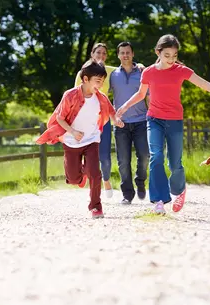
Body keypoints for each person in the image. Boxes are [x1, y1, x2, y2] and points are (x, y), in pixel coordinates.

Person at [116, 34, 210, 214]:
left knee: (175, 164)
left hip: (174, 121)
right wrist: (124, 107)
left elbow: (208, 86)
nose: (171, 59)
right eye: (167, 55)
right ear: (158, 52)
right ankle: (159, 201)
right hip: (154, 119)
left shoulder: (181, 71)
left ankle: (179, 191)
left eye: (174, 55)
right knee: (156, 157)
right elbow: (141, 94)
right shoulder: (148, 72)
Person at [37, 60, 124, 219]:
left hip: (91, 139)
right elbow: (60, 118)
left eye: (102, 81)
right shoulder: (70, 95)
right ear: (85, 79)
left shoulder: (101, 97)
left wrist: (116, 120)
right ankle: (81, 174)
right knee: (73, 178)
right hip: (71, 140)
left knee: (95, 173)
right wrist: (72, 131)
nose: (101, 84)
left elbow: (111, 112)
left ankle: (96, 207)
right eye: (97, 80)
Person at [109, 41, 149, 205]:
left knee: (145, 156)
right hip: (121, 124)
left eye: (128, 52)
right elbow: (102, 95)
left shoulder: (142, 72)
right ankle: (127, 194)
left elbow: (149, 95)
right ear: (118, 55)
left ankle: (140, 180)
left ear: (132, 54)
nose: (125, 55)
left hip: (141, 121)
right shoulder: (112, 75)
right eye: (122, 53)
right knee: (123, 161)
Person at [74, 43, 116, 198]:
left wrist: (138, 65)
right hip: (86, 120)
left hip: (103, 120)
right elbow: (75, 94)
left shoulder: (112, 72)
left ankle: (106, 179)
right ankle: (84, 172)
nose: (101, 55)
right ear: (92, 54)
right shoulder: (82, 73)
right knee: (87, 152)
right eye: (98, 52)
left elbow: (127, 70)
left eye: (104, 53)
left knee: (104, 156)